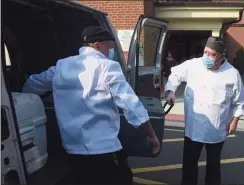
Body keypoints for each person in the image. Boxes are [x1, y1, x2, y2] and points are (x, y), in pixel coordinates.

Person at [22, 26, 160, 185]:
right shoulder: (107, 66)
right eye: (110, 46)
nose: (111, 51)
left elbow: (31, 84)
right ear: (97, 45)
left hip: (72, 149)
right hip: (103, 149)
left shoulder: (60, 66)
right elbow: (131, 104)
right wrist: (151, 134)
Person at [165, 37, 244, 185]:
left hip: (217, 129)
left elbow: (240, 101)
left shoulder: (232, 74)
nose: (207, 57)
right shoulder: (193, 65)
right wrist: (171, 91)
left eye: (212, 54)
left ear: (222, 55)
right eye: (205, 52)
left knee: (213, 165)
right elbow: (175, 74)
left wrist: (235, 121)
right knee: (189, 163)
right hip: (193, 127)